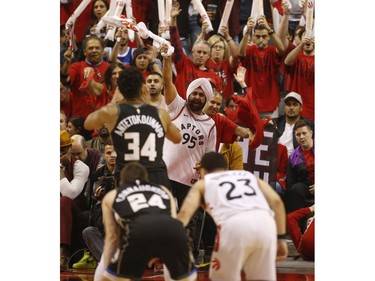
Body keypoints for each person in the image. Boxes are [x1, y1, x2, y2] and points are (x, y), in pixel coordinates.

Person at [177, 152, 288, 281]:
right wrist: (280, 239)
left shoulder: (204, 183)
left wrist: (168, 243)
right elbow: (277, 202)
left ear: (203, 170)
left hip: (234, 225)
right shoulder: (248, 176)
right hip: (265, 223)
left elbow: (185, 215)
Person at [94, 162, 197, 281]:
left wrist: (110, 265)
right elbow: (173, 221)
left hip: (139, 231)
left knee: (109, 278)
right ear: (147, 180)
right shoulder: (164, 190)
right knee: (186, 278)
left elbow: (113, 237)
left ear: (121, 182)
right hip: (174, 231)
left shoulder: (113, 194)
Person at [84, 66, 182, 189]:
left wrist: (114, 101)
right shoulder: (160, 114)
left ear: (120, 90)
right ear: (143, 87)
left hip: (126, 176)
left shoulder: (112, 112)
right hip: (156, 176)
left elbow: (87, 124)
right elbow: (177, 138)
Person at [73, 144, 117, 269]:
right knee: (88, 231)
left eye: (115, 153)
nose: (112, 156)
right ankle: (109, 263)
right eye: (108, 153)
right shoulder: (97, 175)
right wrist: (96, 198)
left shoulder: (126, 174)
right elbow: (90, 203)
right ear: (104, 155)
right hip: (102, 225)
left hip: (121, 226)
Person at [169, 1, 222, 100]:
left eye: (204, 53)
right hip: (181, 112)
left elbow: (216, 100)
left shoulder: (214, 77)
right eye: (199, 52)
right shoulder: (183, 64)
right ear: (193, 52)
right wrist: (173, 20)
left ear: (209, 56)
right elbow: (175, 43)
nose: (201, 55)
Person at [238, 15, 286, 118]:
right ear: (253, 37)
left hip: (270, 101)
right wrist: (247, 32)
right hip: (252, 101)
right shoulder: (250, 50)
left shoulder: (272, 50)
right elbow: (240, 53)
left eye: (264, 36)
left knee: (270, 133)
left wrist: (269, 28)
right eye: (258, 36)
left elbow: (282, 49)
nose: (261, 39)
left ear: (268, 37)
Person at [60, 130, 90, 271]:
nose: (59, 154)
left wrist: (59, 171)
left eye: (62, 150)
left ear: (69, 150)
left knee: (64, 200)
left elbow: (70, 193)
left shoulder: (81, 167)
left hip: (74, 206)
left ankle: (63, 252)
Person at [61, 35, 111, 118]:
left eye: (97, 48)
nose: (94, 50)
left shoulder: (111, 68)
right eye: (90, 48)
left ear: (102, 51)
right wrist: (67, 62)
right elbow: (65, 80)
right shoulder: (76, 67)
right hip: (80, 121)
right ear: (84, 52)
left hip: (104, 120)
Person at [285, 119, 314, 213]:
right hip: (306, 188)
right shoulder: (293, 156)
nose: (301, 137)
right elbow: (290, 183)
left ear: (311, 133)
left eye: (304, 133)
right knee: (295, 189)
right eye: (298, 135)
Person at [284, 31, 315, 121]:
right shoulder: (297, 56)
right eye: (305, 37)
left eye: (312, 38)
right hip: (296, 107)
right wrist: (301, 45)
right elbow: (287, 62)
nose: (308, 40)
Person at [273, 91, 314, 156]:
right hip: (276, 159)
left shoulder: (309, 125)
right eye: (288, 104)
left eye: (295, 104)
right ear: (284, 107)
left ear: (301, 108)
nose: (291, 108)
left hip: (297, 162)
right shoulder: (275, 123)